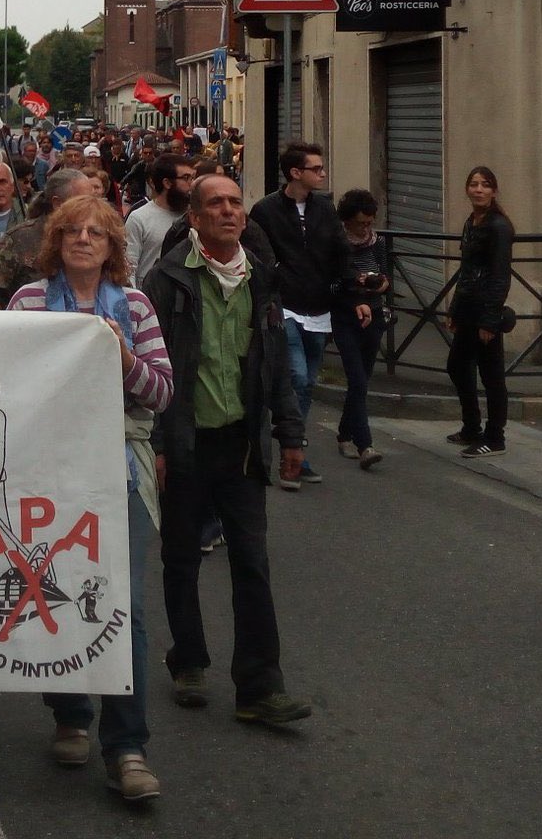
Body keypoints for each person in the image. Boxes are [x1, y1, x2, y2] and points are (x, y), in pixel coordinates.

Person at [6, 195, 172, 804]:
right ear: (55, 242)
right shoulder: (27, 303)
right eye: (72, 230)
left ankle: (127, 748)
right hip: (48, 476)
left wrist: (122, 356)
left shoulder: (136, 306)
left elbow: (161, 393)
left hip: (116, 470)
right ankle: (70, 713)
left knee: (124, 607)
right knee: (55, 591)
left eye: (95, 233)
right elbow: (6, 387)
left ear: (112, 247)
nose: (82, 239)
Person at [147, 173, 312, 731]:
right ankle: (189, 661)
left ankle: (259, 687)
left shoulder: (261, 278)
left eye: (235, 202)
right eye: (215, 203)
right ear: (194, 218)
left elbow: (275, 364)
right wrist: (159, 445)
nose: (228, 211)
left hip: (241, 445)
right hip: (186, 442)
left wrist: (290, 433)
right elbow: (155, 368)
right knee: (181, 558)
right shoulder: (166, 280)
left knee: (252, 563)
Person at [249, 143, 366, 490]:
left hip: (319, 305)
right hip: (283, 304)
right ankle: (292, 448)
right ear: (295, 173)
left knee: (308, 382)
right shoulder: (266, 210)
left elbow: (342, 253)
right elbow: (256, 255)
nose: (323, 174)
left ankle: (294, 448)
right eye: (316, 168)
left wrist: (355, 296)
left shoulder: (325, 208)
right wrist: (268, 290)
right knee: (297, 376)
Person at [447, 166, 514, 459]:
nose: (478, 189)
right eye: (473, 184)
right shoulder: (472, 221)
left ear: (494, 191)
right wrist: (454, 309)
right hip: (468, 308)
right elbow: (466, 270)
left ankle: (495, 437)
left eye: (485, 185)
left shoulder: (499, 226)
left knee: (491, 375)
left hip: (486, 310)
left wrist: (489, 319)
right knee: (457, 366)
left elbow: (500, 275)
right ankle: (471, 427)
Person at [332, 189, 389, 472]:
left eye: (369, 222)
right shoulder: (338, 244)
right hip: (345, 317)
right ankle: (365, 444)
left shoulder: (378, 242)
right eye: (360, 224)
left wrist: (379, 284)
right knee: (356, 379)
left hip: (374, 316)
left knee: (362, 379)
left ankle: (344, 433)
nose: (365, 229)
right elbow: (334, 283)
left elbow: (387, 276)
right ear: (347, 221)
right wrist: (356, 287)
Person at [0, 167, 96, 299]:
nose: (91, 207)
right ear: (58, 204)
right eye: (82, 201)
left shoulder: (98, 238)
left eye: (93, 200)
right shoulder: (19, 240)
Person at [125, 151, 195, 284]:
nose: (192, 184)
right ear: (167, 183)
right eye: (186, 178)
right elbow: (129, 268)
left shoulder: (196, 217)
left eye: (193, 177)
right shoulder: (139, 218)